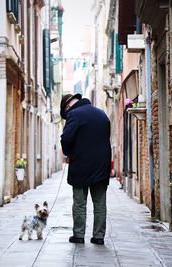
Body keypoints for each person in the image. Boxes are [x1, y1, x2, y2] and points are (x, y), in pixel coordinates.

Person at [60, 93, 111, 245]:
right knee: (100, 202)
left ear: (68, 106)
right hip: (102, 165)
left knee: (80, 202)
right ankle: (98, 236)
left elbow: (66, 139)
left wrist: (68, 153)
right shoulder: (102, 114)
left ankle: (79, 235)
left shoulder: (73, 115)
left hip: (81, 165)